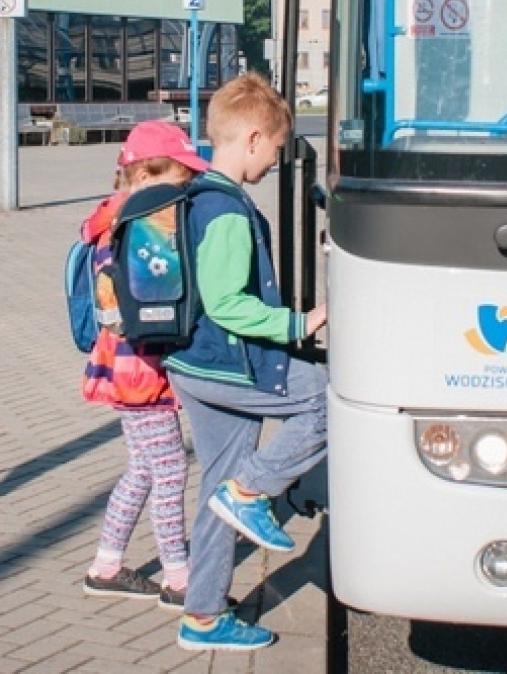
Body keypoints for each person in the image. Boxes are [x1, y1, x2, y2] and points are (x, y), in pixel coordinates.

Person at [165, 72, 328, 653]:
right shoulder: (228, 210)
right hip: (223, 363)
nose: (276, 160)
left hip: (190, 363)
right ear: (254, 139)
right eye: (279, 148)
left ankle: (202, 616)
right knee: (326, 398)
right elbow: (228, 304)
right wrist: (297, 324)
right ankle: (254, 492)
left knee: (218, 488)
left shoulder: (193, 194)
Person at [77, 121, 208, 610]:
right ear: (151, 173)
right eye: (182, 175)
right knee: (171, 471)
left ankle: (106, 566)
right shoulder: (141, 223)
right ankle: (179, 578)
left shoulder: (111, 218)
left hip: (123, 364)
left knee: (142, 470)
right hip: (140, 369)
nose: (188, 185)